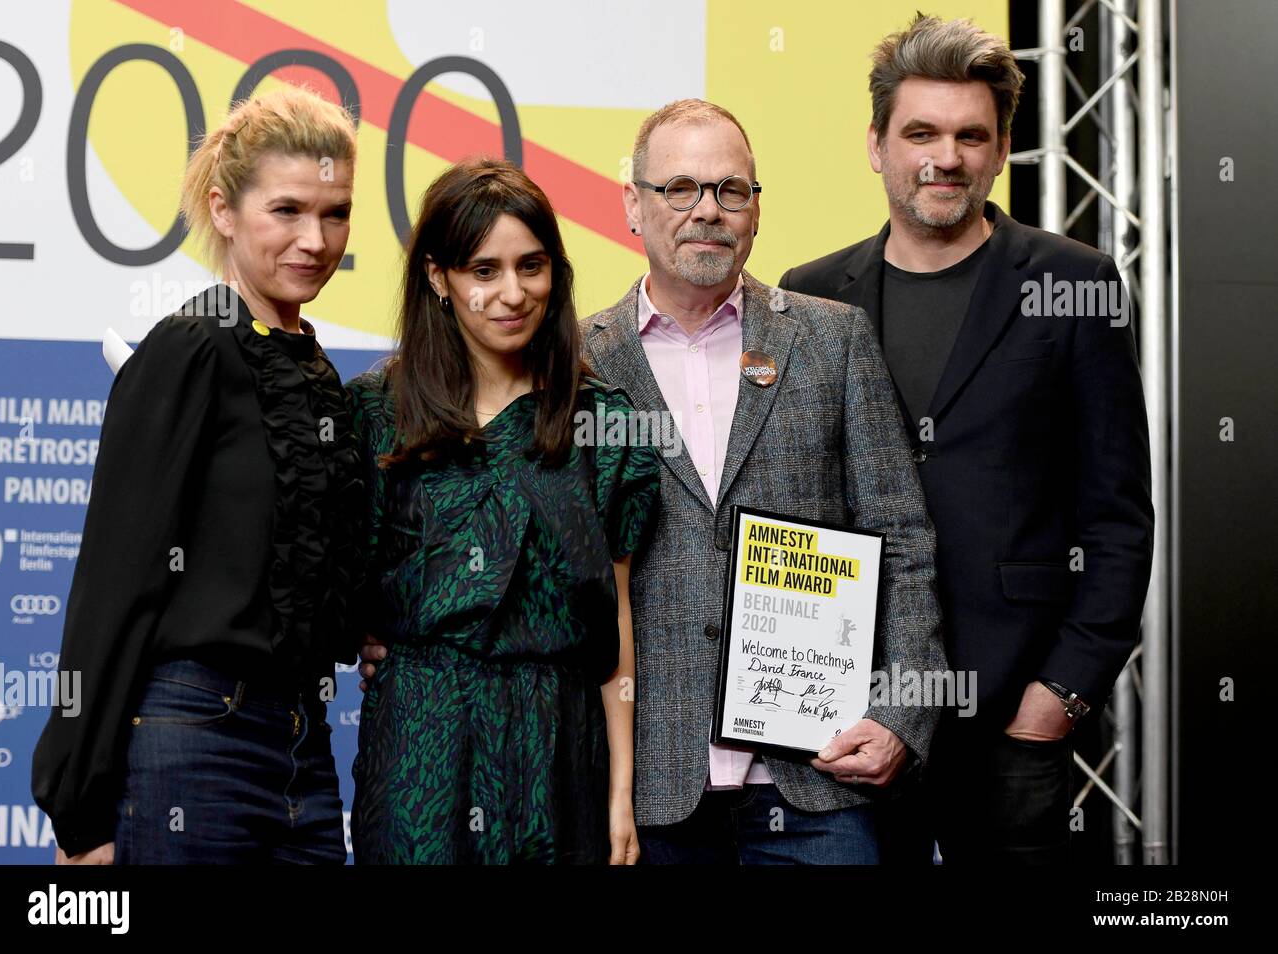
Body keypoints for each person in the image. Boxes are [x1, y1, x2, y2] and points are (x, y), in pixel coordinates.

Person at [779, 14, 1154, 864]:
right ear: (876, 144)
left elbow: (1119, 516)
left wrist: (1058, 697)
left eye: (969, 136)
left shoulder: (1074, 283)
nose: (944, 157)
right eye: (920, 133)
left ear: (999, 149)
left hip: (1014, 718)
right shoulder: (810, 295)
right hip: (856, 720)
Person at [580, 99, 944, 864]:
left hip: (816, 783)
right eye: (680, 188)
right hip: (646, 789)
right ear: (632, 206)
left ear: (755, 210)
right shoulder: (579, 361)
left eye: (731, 190)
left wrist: (903, 710)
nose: (707, 211)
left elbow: (903, 540)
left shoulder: (832, 337)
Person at [32, 86, 365, 864]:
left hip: (305, 751)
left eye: (336, 212)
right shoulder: (189, 349)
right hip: (193, 739)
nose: (315, 239)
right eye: (286, 210)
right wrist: (81, 813)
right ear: (223, 210)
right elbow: (114, 585)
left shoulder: (313, 371)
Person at [346, 157, 658, 865]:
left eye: (532, 266)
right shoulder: (376, 412)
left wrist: (620, 797)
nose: (512, 293)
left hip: (560, 744)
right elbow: (342, 576)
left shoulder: (600, 422)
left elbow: (616, 624)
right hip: (421, 744)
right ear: (439, 278)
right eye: (484, 270)